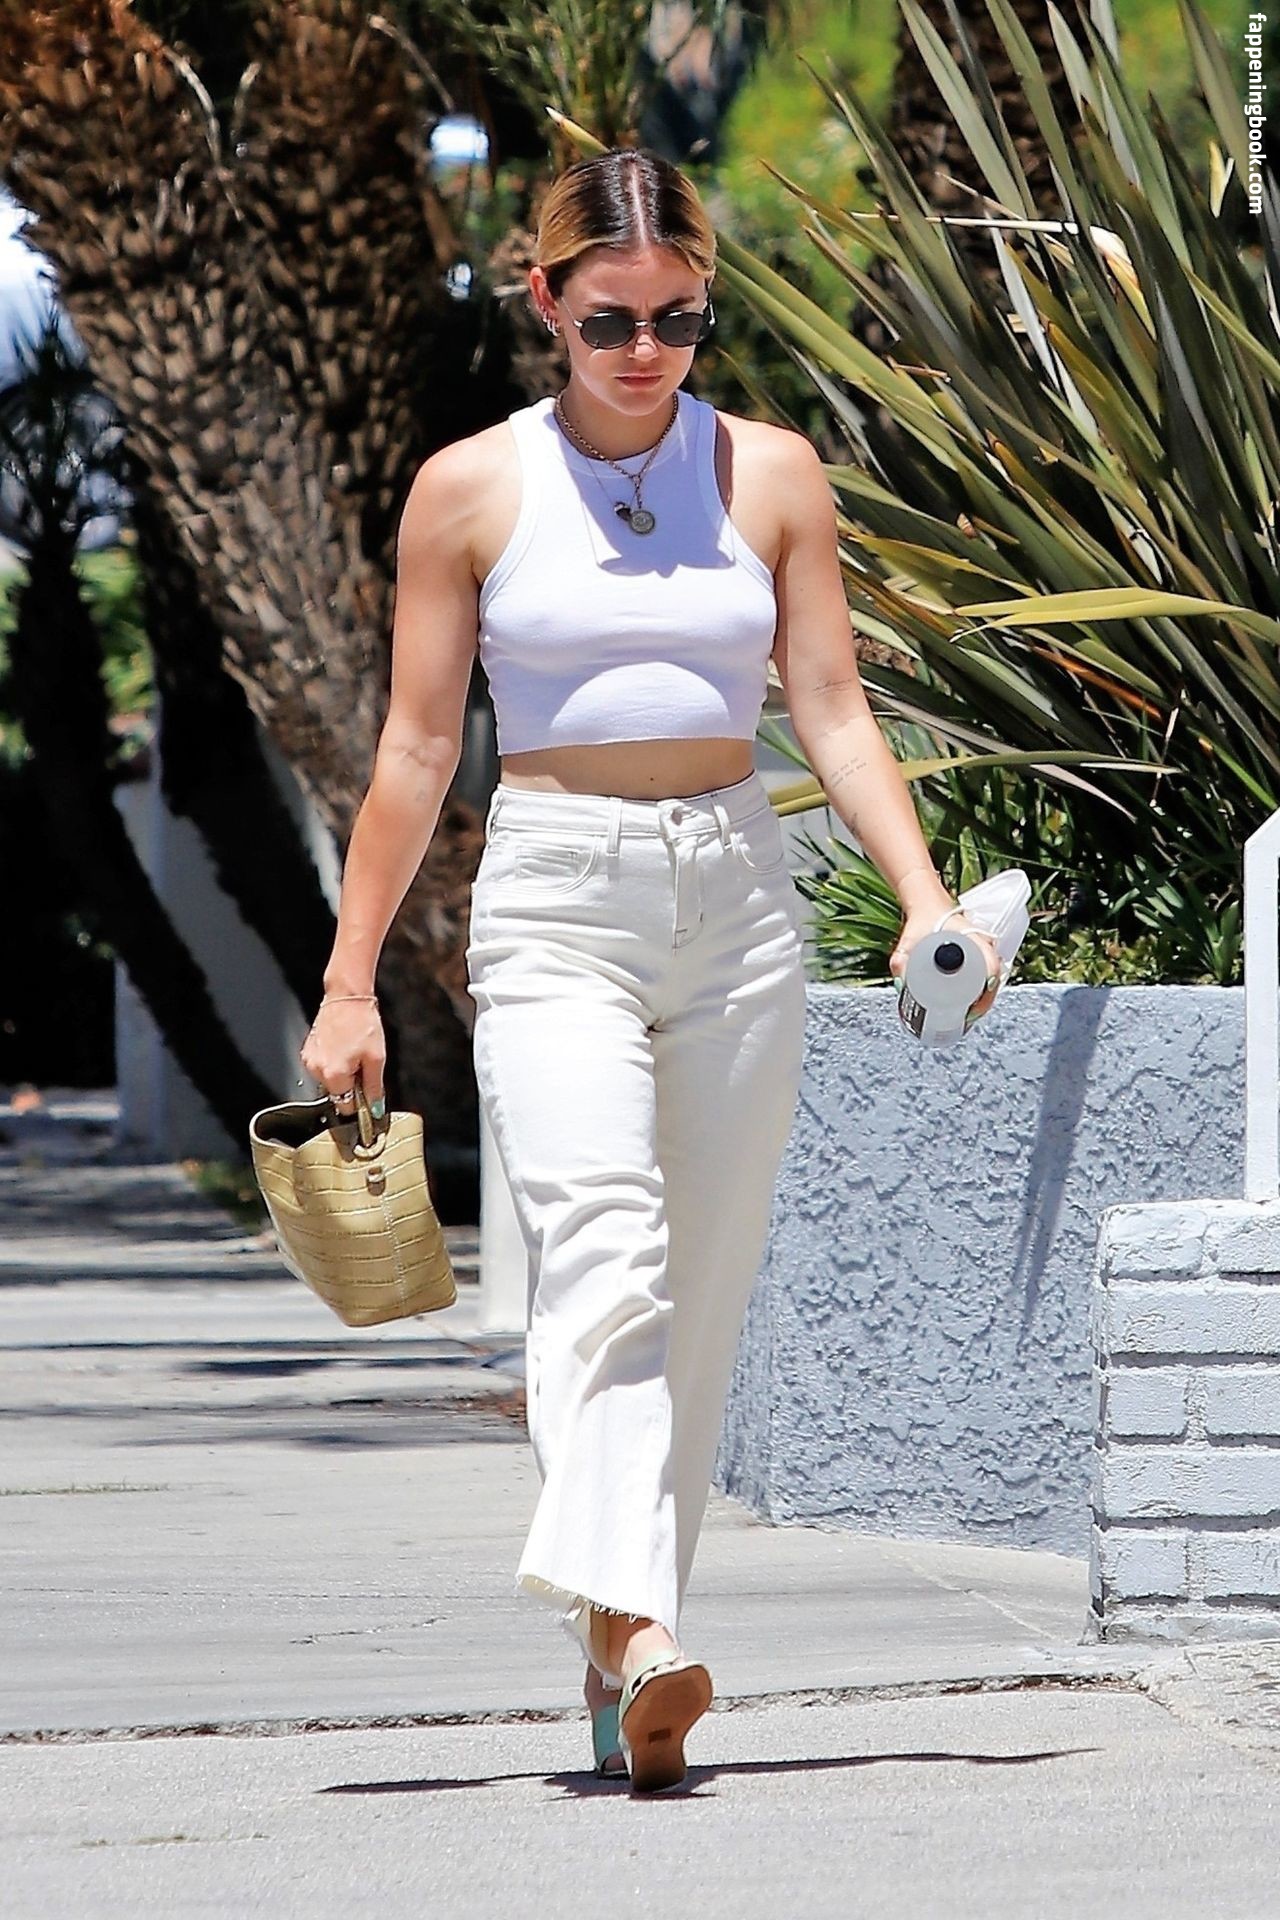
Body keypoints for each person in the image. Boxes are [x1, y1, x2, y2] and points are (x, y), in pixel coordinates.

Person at [299, 145, 1001, 1793]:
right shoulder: (470, 489)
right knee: (603, 1247)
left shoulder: (773, 475)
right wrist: (347, 984)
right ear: (547, 300)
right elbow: (416, 750)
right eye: (611, 318)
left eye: (679, 319)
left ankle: (627, 1645)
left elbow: (831, 708)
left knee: (699, 1298)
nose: (645, 350)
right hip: (553, 900)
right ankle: (638, 1631)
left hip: (737, 900)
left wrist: (927, 899)